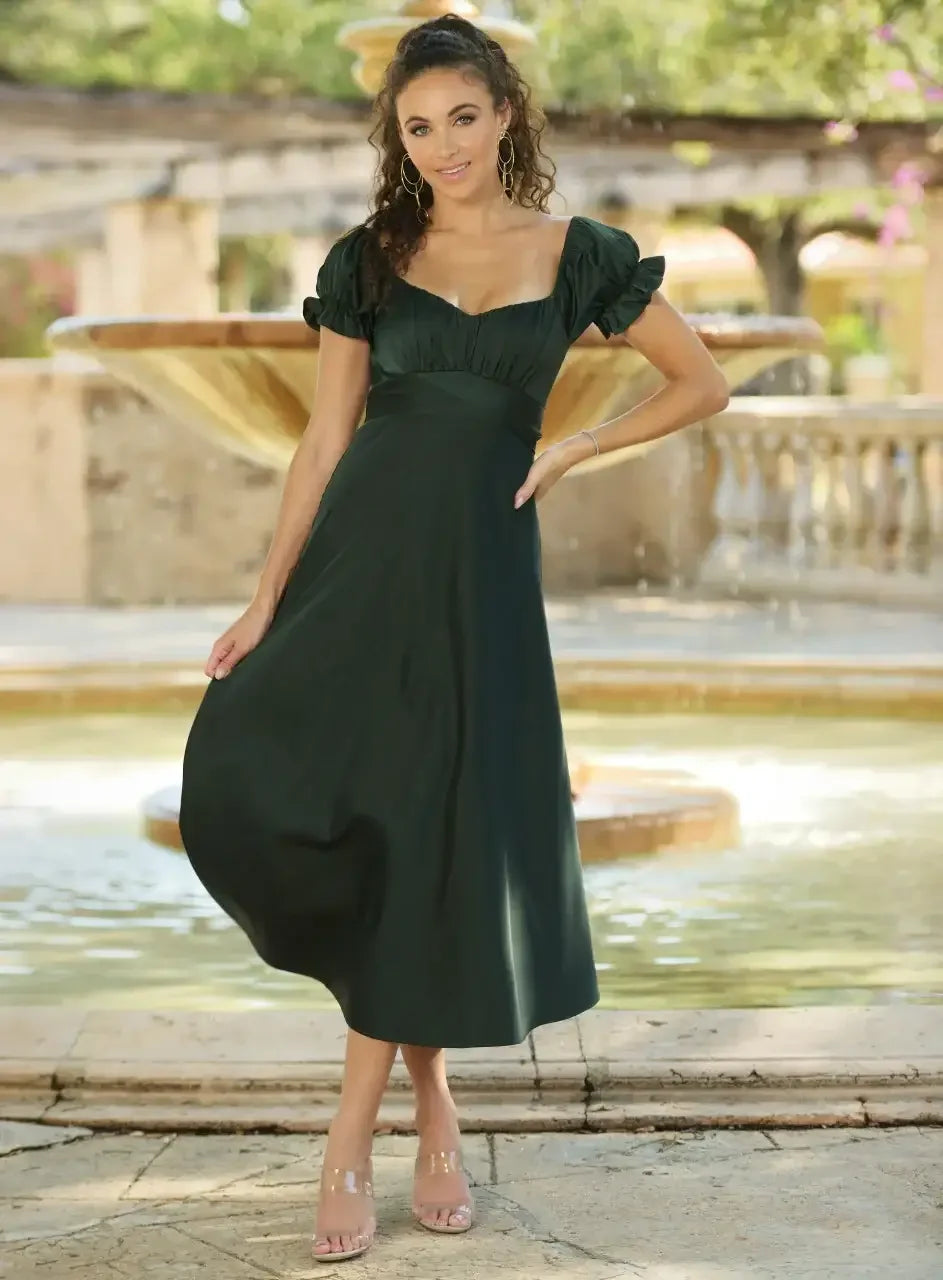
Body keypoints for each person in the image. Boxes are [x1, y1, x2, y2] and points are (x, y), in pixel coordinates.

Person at [178, 12, 729, 1266]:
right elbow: (323, 441)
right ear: (400, 137)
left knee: (437, 830)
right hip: (359, 565)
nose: (441, 147)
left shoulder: (583, 253)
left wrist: (578, 444)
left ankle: (393, 1118)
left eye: (461, 119)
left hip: (480, 573)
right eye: (417, 128)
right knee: (348, 809)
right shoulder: (370, 257)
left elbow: (701, 381)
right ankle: (384, 1120)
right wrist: (265, 600)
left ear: (505, 113)